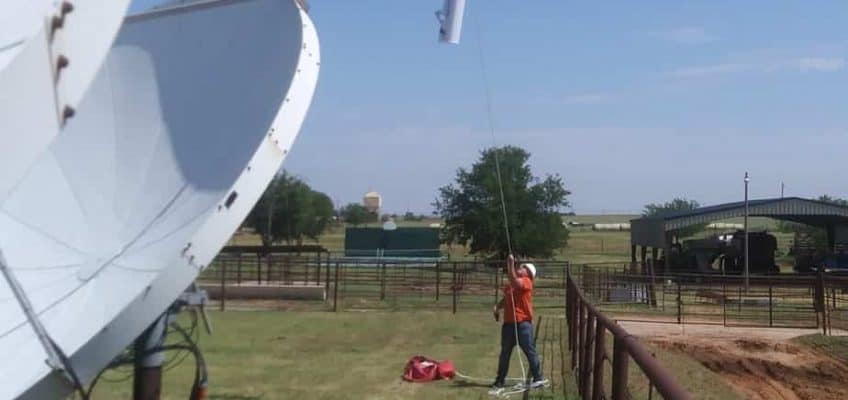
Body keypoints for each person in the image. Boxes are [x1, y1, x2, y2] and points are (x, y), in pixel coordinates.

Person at [491, 255, 547, 390]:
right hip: (508, 324)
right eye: (522, 266)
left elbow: (515, 281)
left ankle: (538, 378)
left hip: (523, 324)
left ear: (529, 274)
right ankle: (500, 380)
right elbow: (506, 298)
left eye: (524, 268)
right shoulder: (512, 284)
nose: (521, 267)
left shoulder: (527, 282)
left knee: (530, 351)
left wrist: (510, 263)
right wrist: (497, 307)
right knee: (505, 353)